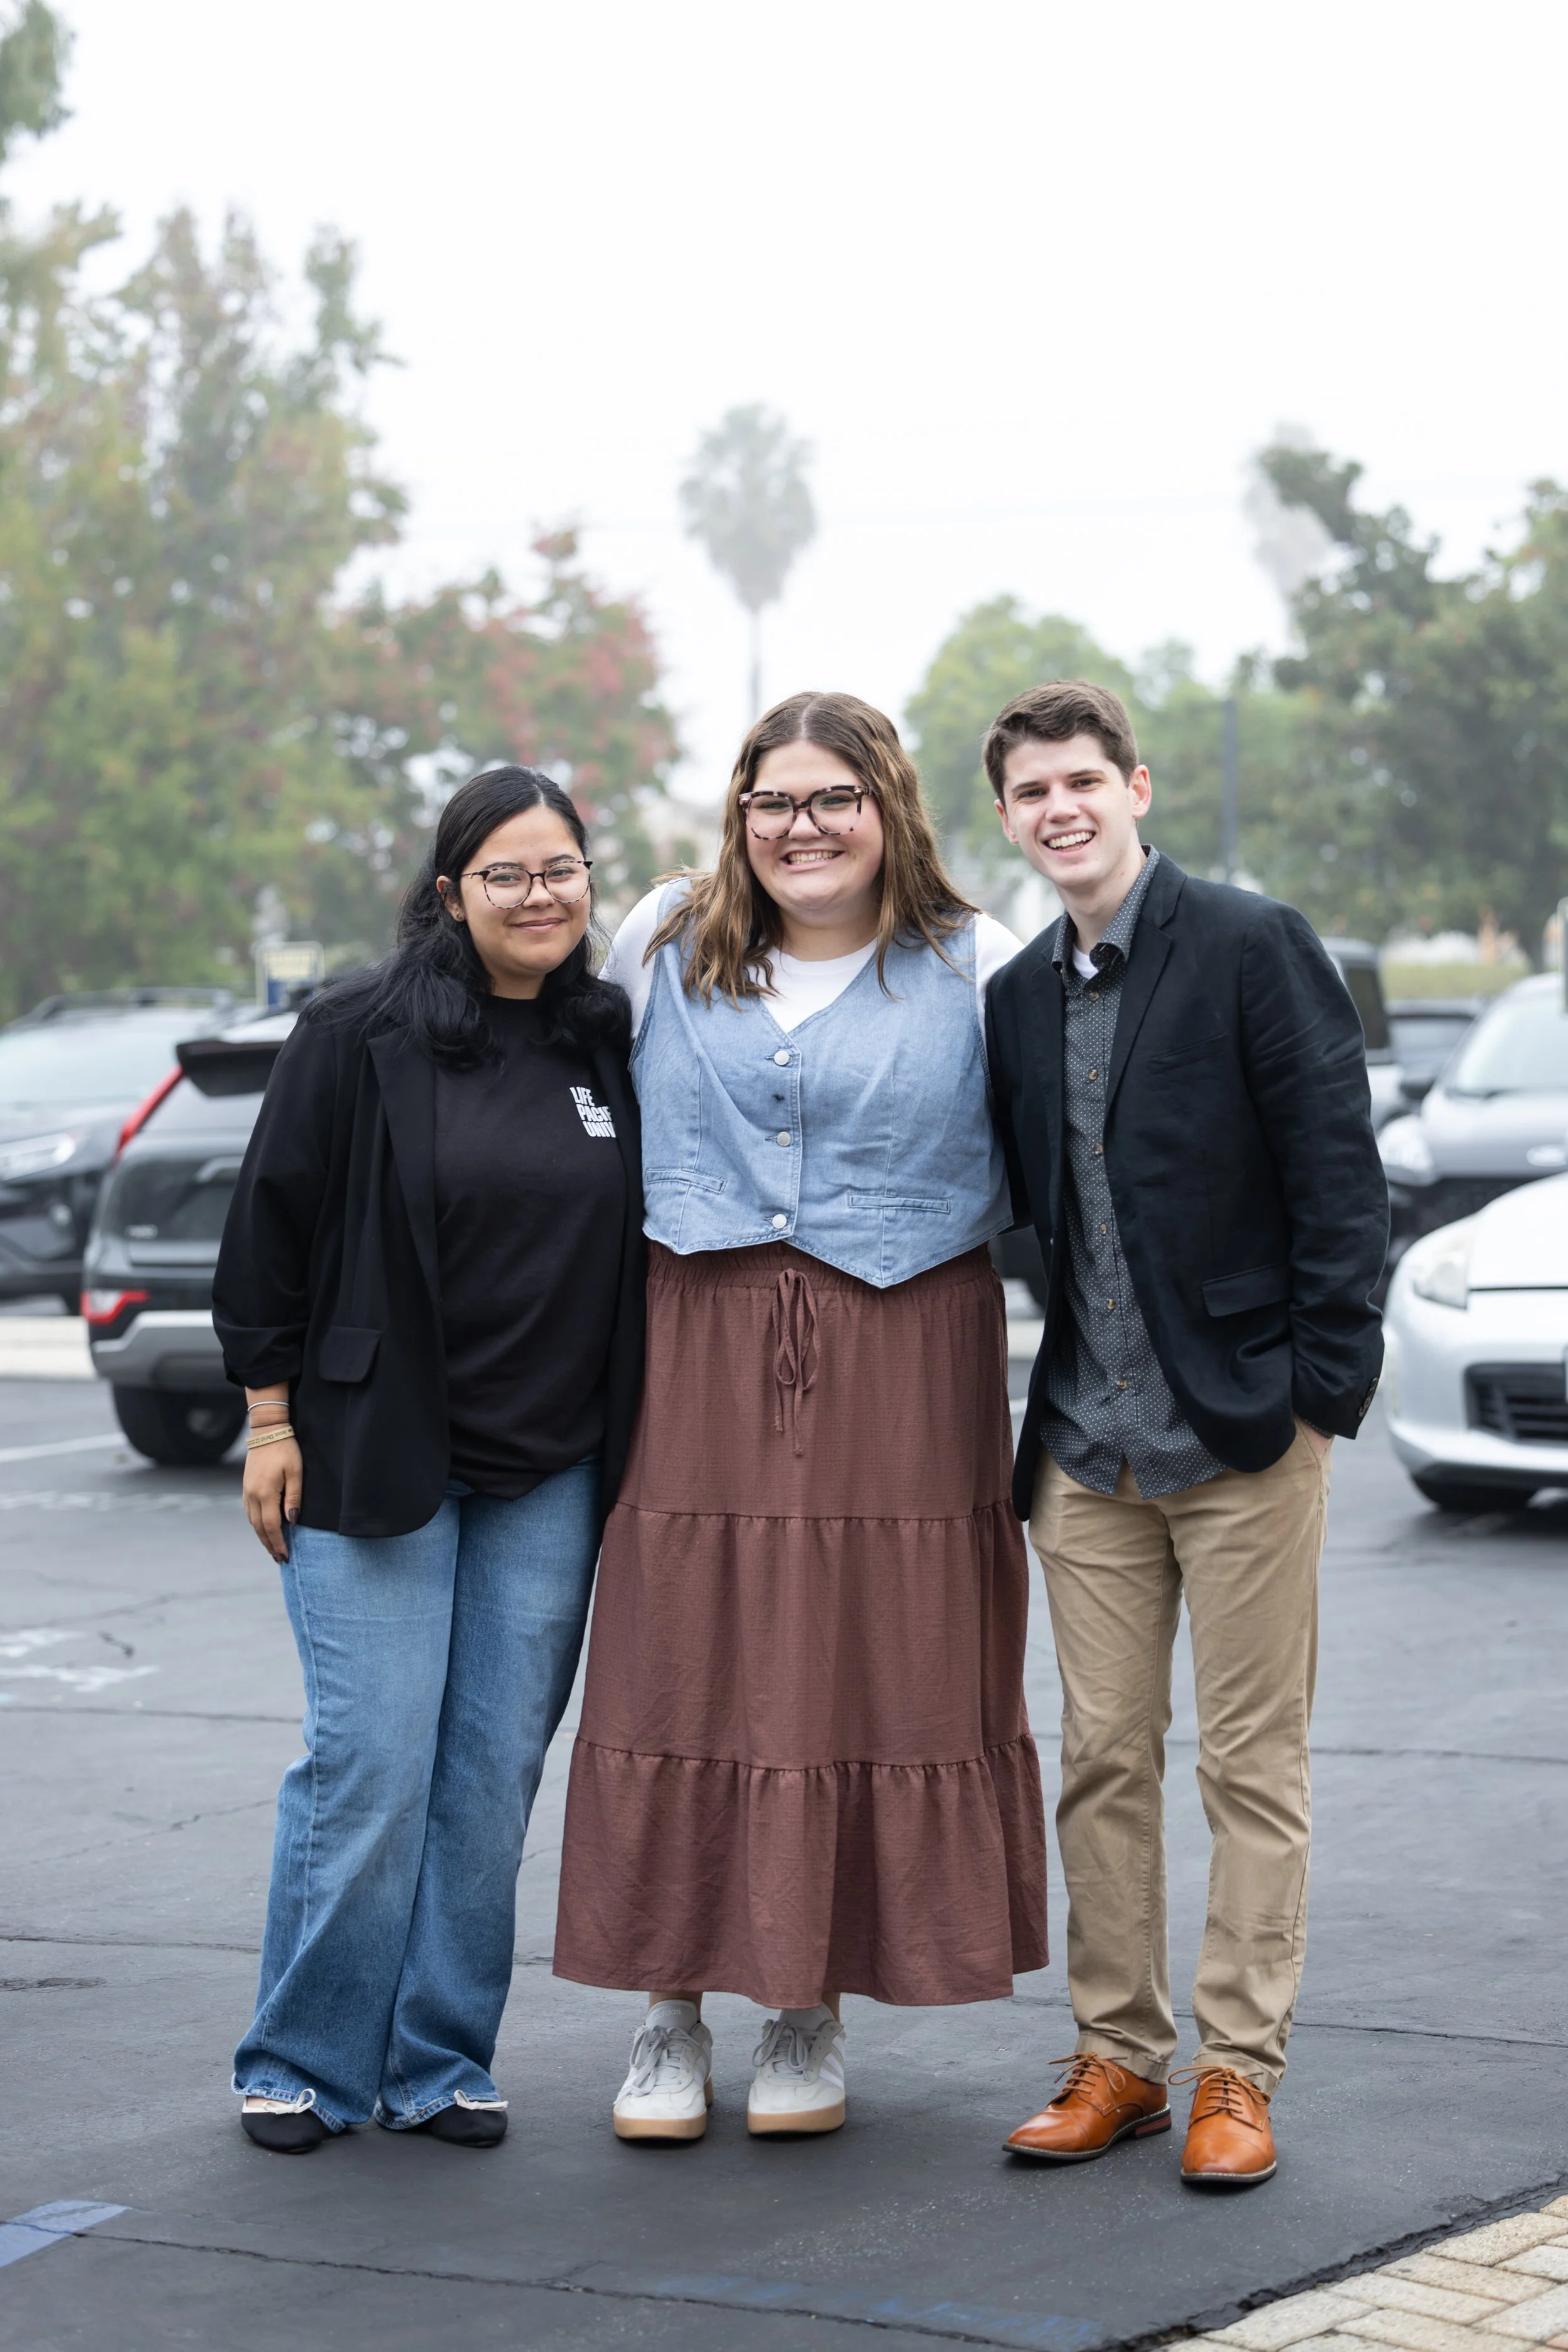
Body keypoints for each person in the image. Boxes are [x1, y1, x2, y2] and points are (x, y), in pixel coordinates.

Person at [553, 691, 1047, 2141]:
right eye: (775, 800)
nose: (802, 827)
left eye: (834, 797)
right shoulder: (658, 938)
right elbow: (560, 1118)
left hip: (905, 1356)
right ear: (739, 813)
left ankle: (802, 2002)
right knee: (681, 1659)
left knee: (851, 1667)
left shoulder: (976, 962)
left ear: (888, 806)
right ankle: (667, 2006)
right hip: (693, 1344)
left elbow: (1070, 1155)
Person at [983, 681, 1387, 2187]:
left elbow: (1338, 1180)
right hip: (1086, 1453)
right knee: (1096, 1758)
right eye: (1031, 793)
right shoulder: (1015, 995)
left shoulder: (1246, 944)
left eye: (1081, 779)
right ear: (1011, 816)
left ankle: (1235, 2070)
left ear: (1134, 787)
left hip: (1242, 1439)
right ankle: (1118, 2059)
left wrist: (1314, 1399)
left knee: (1248, 1766)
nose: (1059, 809)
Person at [213, 766, 645, 2154]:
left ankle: (440, 2059)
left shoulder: (601, 1041)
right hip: (370, 1453)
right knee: (371, 1767)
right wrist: (269, 1422)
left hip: (550, 1470)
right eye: (508, 874)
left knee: (488, 1780)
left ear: (591, 880)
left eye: (562, 870)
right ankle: (301, 2058)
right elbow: (265, 1236)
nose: (541, 896)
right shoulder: (358, 1032)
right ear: (450, 891)